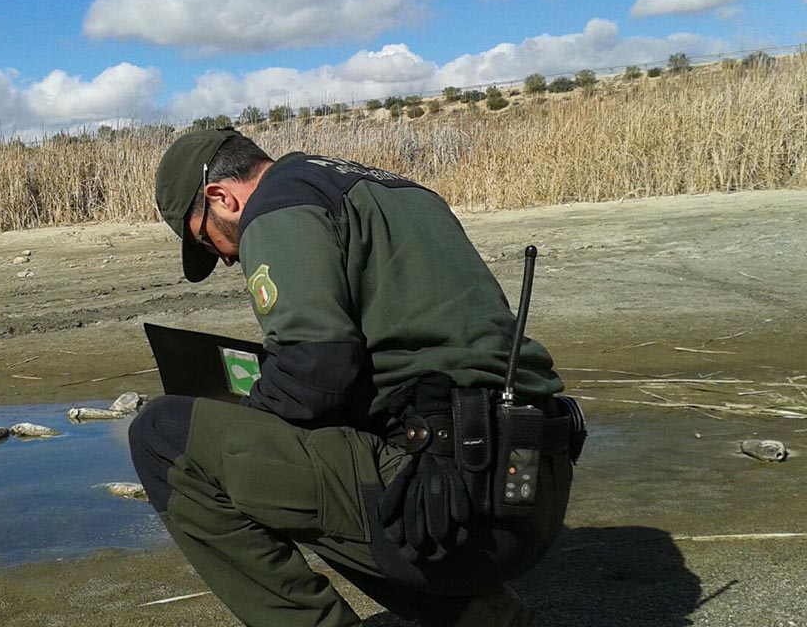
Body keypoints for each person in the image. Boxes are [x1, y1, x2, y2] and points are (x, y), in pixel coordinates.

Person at [129, 127, 579, 627]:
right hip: (531, 483)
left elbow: (318, 370)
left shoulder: (278, 204)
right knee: (322, 443)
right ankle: (482, 616)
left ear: (222, 198)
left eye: (207, 242)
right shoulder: (386, 189)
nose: (227, 258)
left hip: (454, 505)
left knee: (163, 435)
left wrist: (244, 424)